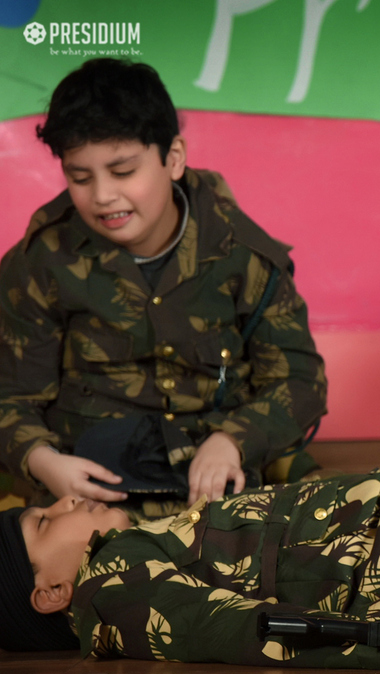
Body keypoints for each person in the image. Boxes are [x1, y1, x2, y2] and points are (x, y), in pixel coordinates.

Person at [0, 58, 327, 519]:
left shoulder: (242, 253)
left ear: (173, 158)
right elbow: (11, 396)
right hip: (90, 497)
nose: (102, 195)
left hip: (221, 485)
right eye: (80, 177)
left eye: (123, 170)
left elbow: (300, 380)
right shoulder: (41, 262)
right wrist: (43, 461)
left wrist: (233, 439)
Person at [0, 469, 380, 666]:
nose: (65, 501)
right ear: (52, 592)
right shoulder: (105, 586)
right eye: (43, 523)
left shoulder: (137, 542)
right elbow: (227, 627)